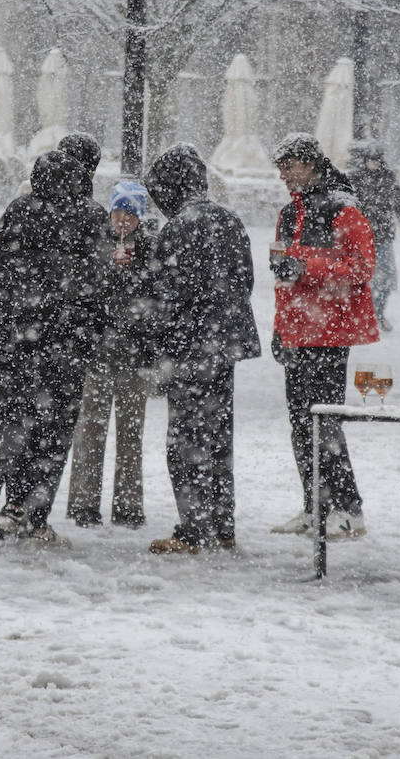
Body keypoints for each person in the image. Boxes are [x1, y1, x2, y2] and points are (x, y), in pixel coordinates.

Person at [0, 149, 106, 545]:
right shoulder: (90, 217)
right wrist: (85, 328)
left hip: (16, 346)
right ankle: (33, 515)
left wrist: (17, 315)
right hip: (65, 349)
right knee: (54, 436)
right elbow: (99, 285)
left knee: (12, 430)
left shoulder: (19, 211)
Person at [140, 144, 261, 555]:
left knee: (185, 439)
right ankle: (223, 526)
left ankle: (192, 530)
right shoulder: (229, 219)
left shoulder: (178, 227)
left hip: (190, 348)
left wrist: (154, 334)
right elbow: (245, 281)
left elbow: (167, 294)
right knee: (218, 436)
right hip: (224, 345)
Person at [268, 133, 379, 540]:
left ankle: (349, 510)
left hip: (330, 332)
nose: (285, 175)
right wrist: (281, 328)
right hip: (297, 332)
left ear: (313, 165)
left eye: (291, 166)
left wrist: (305, 266)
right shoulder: (287, 213)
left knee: (326, 423)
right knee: (300, 424)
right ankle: (315, 507)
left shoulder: (343, 209)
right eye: (280, 168)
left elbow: (362, 267)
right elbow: (282, 271)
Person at [66, 182, 159, 529]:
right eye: (118, 212)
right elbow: (82, 288)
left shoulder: (151, 248)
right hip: (99, 352)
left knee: (131, 433)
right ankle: (83, 503)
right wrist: (108, 268)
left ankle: (129, 505)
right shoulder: (96, 243)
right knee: (90, 430)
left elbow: (155, 297)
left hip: (136, 355)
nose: (123, 220)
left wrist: (134, 274)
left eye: (130, 213)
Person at [346, 141, 400, 331]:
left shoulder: (388, 178)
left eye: (376, 160)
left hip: (383, 235)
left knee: (388, 277)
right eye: (370, 160)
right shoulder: (355, 178)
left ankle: (377, 313)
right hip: (361, 237)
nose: (373, 164)